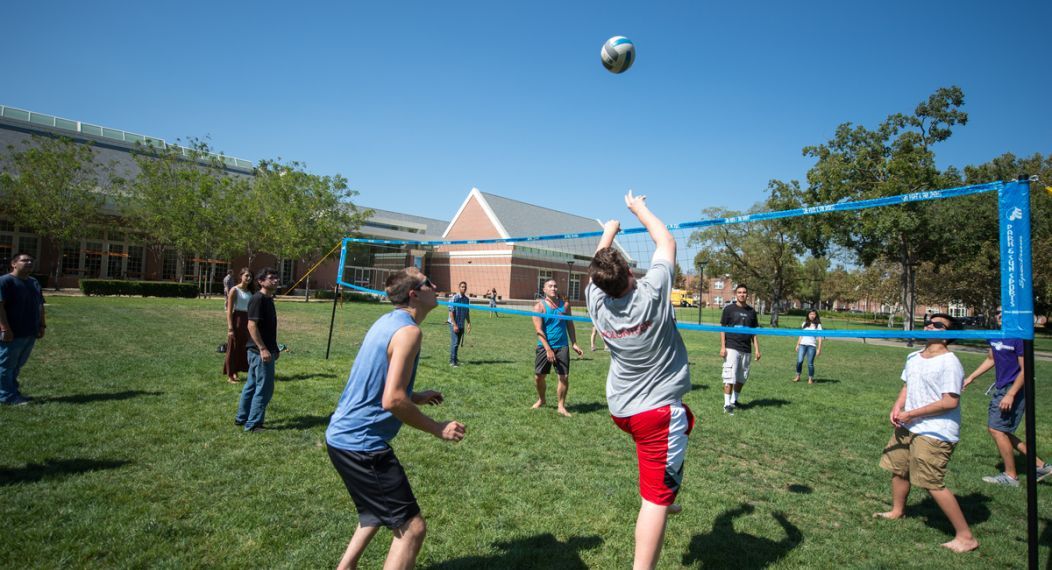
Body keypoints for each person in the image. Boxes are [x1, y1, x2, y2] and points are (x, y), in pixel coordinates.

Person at [325, 267, 466, 570]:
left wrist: (415, 396)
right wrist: (438, 428)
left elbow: (377, 382)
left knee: (375, 512)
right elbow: (392, 400)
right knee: (412, 530)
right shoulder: (409, 331)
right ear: (415, 294)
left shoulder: (387, 322)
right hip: (361, 445)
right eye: (429, 283)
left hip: (340, 437)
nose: (436, 285)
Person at [587, 191, 693, 570]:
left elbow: (596, 269)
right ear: (630, 273)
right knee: (655, 501)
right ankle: (659, 504)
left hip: (622, 409)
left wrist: (609, 232)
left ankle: (664, 492)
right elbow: (666, 240)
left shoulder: (594, 302)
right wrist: (638, 208)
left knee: (685, 425)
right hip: (656, 414)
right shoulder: (652, 293)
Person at [874, 313, 978, 553]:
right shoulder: (914, 356)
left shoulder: (950, 362)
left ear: (949, 334)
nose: (930, 325)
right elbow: (907, 385)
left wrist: (913, 413)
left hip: (935, 429)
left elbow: (950, 401)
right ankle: (897, 511)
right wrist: (898, 406)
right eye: (928, 322)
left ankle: (966, 536)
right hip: (909, 423)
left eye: (938, 325)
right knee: (898, 469)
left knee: (931, 481)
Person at [963, 306, 1052, 486]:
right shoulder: (996, 335)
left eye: (1005, 313)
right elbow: (991, 359)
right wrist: (971, 377)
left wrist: (1011, 394)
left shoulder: (1019, 337)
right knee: (1002, 430)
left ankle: (1011, 476)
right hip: (1003, 387)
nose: (1000, 316)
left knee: (996, 429)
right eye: (997, 313)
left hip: (1015, 388)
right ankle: (1042, 466)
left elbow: (1026, 370)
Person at [235, 267, 281, 432]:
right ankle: (253, 424)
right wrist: (263, 349)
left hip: (263, 350)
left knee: (252, 385)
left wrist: (274, 348)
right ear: (261, 281)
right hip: (258, 352)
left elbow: (267, 329)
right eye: (271, 278)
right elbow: (251, 325)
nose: (275, 280)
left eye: (276, 277)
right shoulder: (258, 299)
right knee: (264, 388)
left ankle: (242, 418)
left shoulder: (269, 299)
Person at [531, 279, 584, 417]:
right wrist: (548, 349)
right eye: (550, 286)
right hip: (544, 346)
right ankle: (542, 399)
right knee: (538, 377)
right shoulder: (539, 307)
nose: (554, 288)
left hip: (562, 346)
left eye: (555, 286)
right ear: (544, 290)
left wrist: (574, 343)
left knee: (564, 376)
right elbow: (539, 330)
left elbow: (570, 324)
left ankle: (561, 406)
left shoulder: (565, 306)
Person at [0, 253, 46, 405]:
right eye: (25, 260)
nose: (29, 262)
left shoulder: (34, 282)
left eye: (31, 260)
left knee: (17, 365)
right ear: (13, 264)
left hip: (29, 331)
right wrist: (4, 328)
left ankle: (13, 392)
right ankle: (6, 396)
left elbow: (40, 305)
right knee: (6, 365)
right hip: (12, 332)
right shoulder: (5, 281)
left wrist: (41, 324)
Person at [719, 284, 760, 415]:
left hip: (746, 348)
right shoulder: (729, 309)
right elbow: (722, 329)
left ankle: (734, 401)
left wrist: (757, 350)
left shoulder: (752, 312)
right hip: (732, 347)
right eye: (739, 292)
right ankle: (726, 405)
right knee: (729, 377)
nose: (742, 294)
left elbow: (754, 333)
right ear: (736, 294)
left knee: (742, 378)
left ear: (747, 295)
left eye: (744, 292)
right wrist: (723, 346)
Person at [223, 267, 255, 384]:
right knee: (234, 347)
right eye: (246, 275)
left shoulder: (251, 292)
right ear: (241, 276)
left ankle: (237, 370)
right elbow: (229, 310)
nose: (248, 278)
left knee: (244, 347)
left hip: (249, 320)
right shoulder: (234, 290)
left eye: (250, 276)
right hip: (238, 320)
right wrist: (230, 327)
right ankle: (230, 375)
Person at [792, 309, 822, 384]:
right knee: (799, 361)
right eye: (810, 314)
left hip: (812, 346)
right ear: (808, 315)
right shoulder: (804, 323)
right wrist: (797, 345)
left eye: (813, 314)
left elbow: (820, 338)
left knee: (810, 363)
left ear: (816, 315)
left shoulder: (818, 325)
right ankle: (798, 376)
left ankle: (810, 379)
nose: (812, 315)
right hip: (802, 345)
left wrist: (819, 349)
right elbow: (801, 335)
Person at [447, 281, 470, 367]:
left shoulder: (466, 300)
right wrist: (454, 325)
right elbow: (451, 312)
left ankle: (454, 359)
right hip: (454, 324)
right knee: (455, 343)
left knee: (457, 343)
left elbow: (467, 312)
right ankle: (452, 362)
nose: (464, 288)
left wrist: (468, 323)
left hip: (461, 324)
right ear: (459, 288)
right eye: (462, 287)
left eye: (465, 287)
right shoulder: (454, 298)